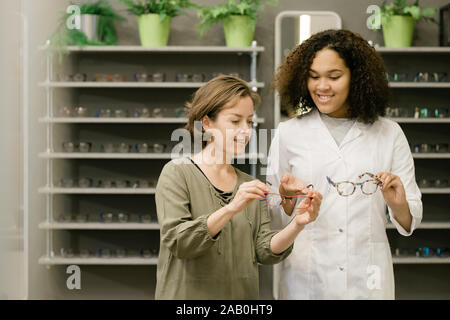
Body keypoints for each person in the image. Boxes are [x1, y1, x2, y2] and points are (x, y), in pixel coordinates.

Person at [267, 29, 422, 299]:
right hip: (306, 276)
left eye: (334, 77)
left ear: (357, 77)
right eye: (313, 77)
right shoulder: (288, 133)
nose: (321, 86)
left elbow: (409, 221)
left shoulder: (389, 133)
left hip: (367, 276)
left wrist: (398, 204)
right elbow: (274, 219)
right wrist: (287, 200)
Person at [155, 75, 322, 299]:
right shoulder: (177, 173)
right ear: (207, 123)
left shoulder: (247, 184)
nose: (246, 130)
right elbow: (180, 242)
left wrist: (297, 224)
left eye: (250, 122)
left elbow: (264, 251)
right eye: (235, 121)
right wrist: (232, 208)